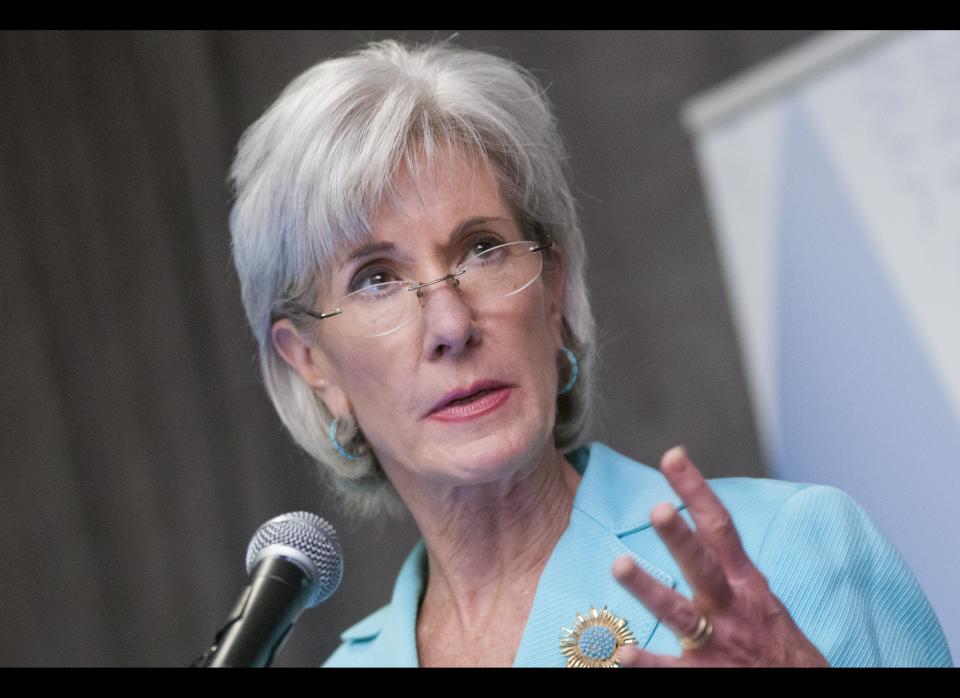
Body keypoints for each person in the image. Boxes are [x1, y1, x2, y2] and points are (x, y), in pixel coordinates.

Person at [227, 39, 952, 667]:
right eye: (376, 279)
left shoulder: (792, 552)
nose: (450, 322)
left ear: (552, 290)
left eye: (482, 249)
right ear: (312, 364)